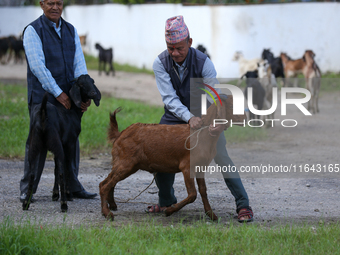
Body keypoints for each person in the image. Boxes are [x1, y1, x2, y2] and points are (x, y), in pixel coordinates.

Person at [147, 15, 253, 223]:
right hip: (174, 117)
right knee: (159, 156)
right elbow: (169, 98)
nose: (174, 53)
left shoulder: (204, 62)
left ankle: (243, 205)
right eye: (170, 48)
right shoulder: (160, 63)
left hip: (205, 117)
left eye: (179, 48)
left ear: (190, 42)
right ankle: (167, 201)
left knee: (221, 155)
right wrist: (188, 118)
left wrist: (216, 122)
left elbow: (214, 95)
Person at [19, 0, 97, 202]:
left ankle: (71, 186)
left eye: (59, 3)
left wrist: (84, 94)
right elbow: (38, 67)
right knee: (38, 141)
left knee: (71, 139)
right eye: (50, 3)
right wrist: (58, 93)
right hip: (42, 98)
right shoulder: (33, 31)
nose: (55, 7)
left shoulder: (71, 30)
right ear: (41, 4)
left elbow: (79, 66)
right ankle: (28, 190)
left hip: (69, 98)